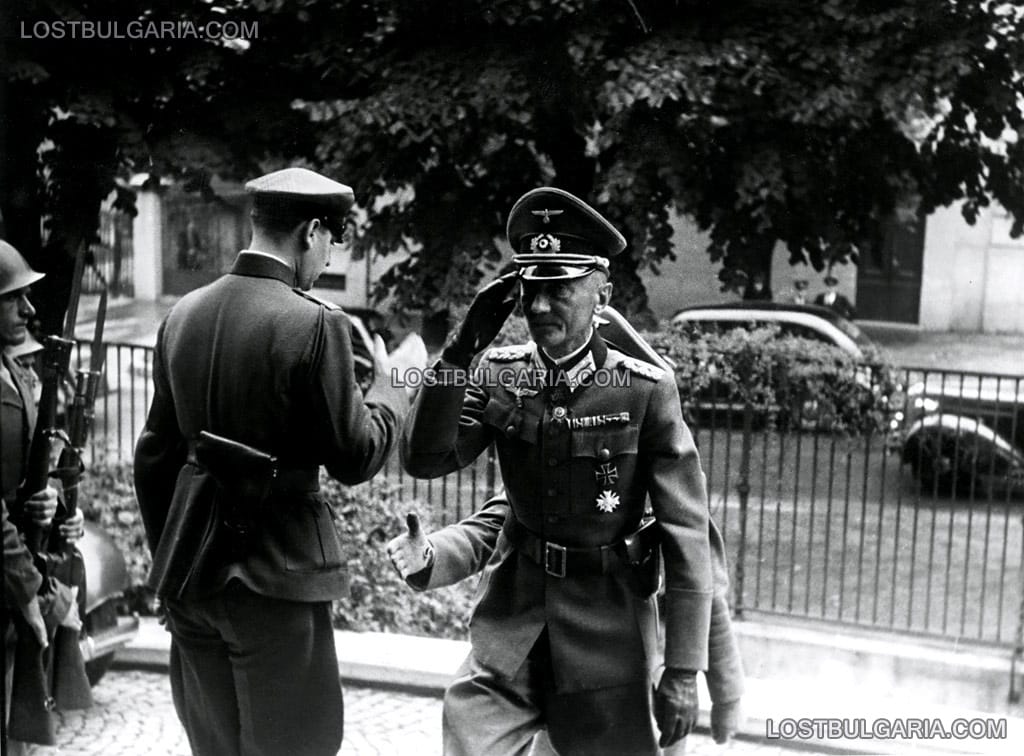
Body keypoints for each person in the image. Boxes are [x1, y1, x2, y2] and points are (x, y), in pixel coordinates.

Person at [397, 187, 715, 755]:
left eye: (560, 288)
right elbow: (425, 460)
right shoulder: (498, 373)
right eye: (531, 289)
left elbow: (686, 531)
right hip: (514, 628)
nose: (540, 307)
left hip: (607, 637)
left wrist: (685, 669)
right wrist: (459, 354)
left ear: (602, 292)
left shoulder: (645, 389)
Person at [133, 167, 408, 756]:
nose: (328, 256)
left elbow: (153, 457)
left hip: (191, 579)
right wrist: (391, 392)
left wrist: (169, 569)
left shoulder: (182, 314)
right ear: (311, 232)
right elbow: (356, 456)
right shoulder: (315, 323)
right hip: (276, 584)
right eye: (332, 241)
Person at [388, 493, 745, 754]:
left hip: (626, 666)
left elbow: (706, 587)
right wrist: (432, 553)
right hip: (534, 647)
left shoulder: (664, 473)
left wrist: (726, 698)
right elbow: (491, 525)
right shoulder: (548, 453)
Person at [1, 239, 84, 754]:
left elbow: (30, 465)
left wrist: (47, 499)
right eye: (12, 298)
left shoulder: (13, 373)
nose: (29, 310)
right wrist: (28, 588)